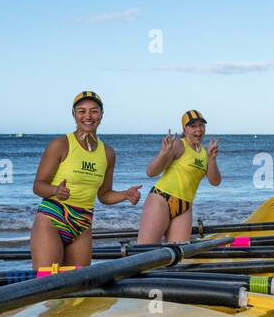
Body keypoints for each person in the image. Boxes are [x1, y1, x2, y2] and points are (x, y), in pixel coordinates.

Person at [30, 91, 140, 271]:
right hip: (53, 217)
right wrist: (55, 191)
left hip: (82, 222)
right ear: (74, 114)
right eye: (82, 111)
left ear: (101, 115)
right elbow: (38, 185)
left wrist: (125, 195)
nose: (88, 116)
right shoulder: (60, 144)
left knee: (77, 286)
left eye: (94, 111)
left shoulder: (108, 153)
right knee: (48, 283)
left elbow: (104, 195)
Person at [137, 110, 221, 244]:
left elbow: (215, 181)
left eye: (201, 125)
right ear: (185, 129)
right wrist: (164, 153)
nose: (198, 129)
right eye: (193, 126)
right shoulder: (178, 145)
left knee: (178, 256)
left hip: (185, 206)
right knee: (145, 252)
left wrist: (211, 159)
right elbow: (151, 172)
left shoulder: (206, 152)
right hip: (161, 199)